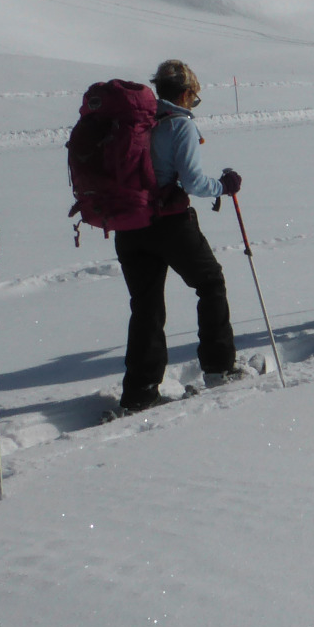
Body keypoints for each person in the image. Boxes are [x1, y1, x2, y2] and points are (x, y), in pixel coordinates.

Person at [113, 59, 244, 414]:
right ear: (186, 93)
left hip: (128, 226)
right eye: (195, 97)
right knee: (211, 283)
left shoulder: (135, 121)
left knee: (145, 306)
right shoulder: (179, 125)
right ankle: (219, 368)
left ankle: (140, 391)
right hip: (169, 223)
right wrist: (224, 185)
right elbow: (193, 182)